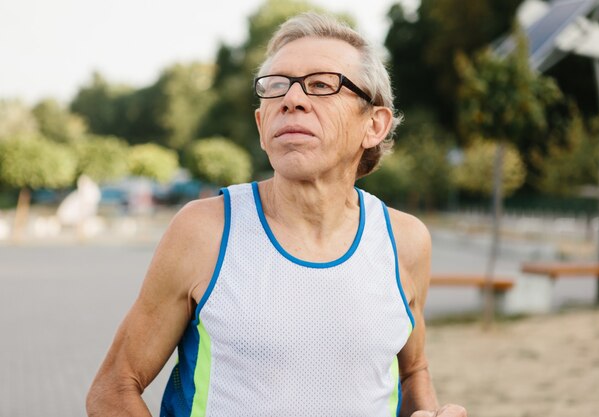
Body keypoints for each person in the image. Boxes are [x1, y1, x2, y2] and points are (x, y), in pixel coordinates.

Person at [87, 12, 467, 417]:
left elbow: (413, 371)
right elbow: (113, 389)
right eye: (276, 87)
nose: (292, 99)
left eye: (322, 84)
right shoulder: (205, 231)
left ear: (374, 125)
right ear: (261, 122)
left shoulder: (406, 241)